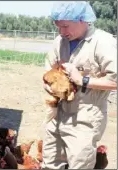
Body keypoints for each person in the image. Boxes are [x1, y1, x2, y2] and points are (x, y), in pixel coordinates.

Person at [42, 1, 117, 169]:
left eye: (66, 26)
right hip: (57, 112)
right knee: (50, 164)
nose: (62, 32)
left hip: (86, 116)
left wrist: (82, 80)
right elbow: (49, 70)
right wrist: (48, 86)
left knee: (79, 165)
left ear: (82, 20)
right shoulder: (60, 42)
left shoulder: (102, 42)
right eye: (58, 27)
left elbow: (115, 80)